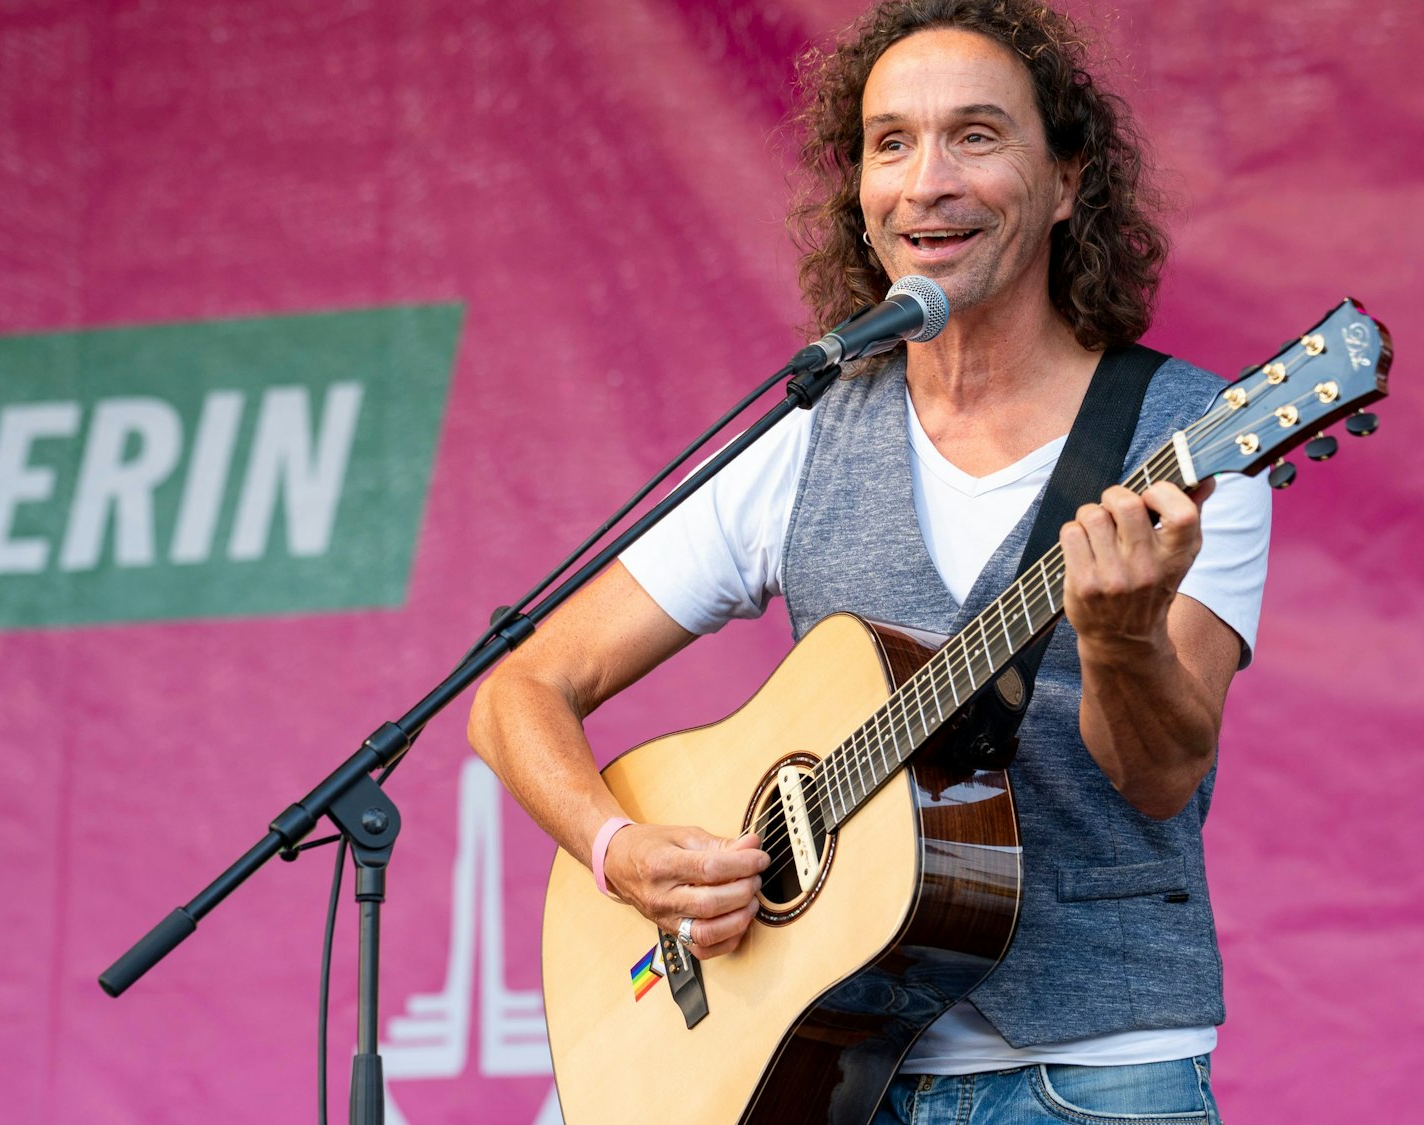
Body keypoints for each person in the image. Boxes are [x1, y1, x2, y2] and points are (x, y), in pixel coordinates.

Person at [467, 0, 1270, 1120]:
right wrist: (618, 850)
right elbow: (517, 691)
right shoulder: (806, 434)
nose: (924, 182)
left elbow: (1157, 777)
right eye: (889, 143)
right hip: (818, 1069)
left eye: (976, 136)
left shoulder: (1192, 442)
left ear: (1068, 181)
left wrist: (1121, 638)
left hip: (1090, 1071)